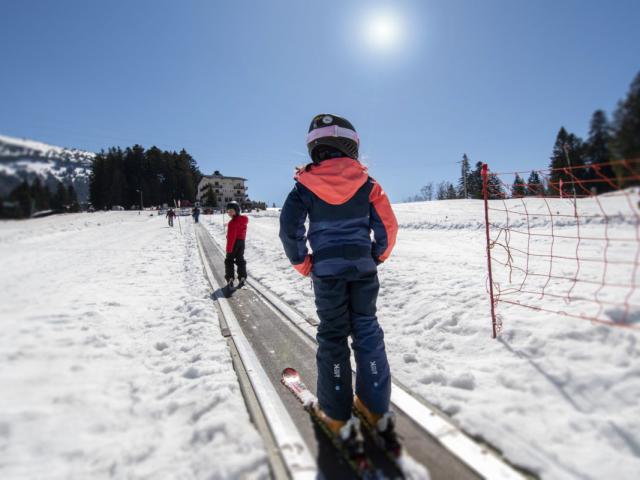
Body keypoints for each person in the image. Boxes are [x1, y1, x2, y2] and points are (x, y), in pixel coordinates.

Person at [279, 114, 399, 453]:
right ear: (352, 145)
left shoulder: (305, 186)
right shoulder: (367, 183)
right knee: (367, 330)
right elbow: (388, 225)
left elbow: (289, 229)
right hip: (363, 270)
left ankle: (336, 415)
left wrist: (303, 262)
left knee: (333, 334)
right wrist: (377, 255)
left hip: (327, 273)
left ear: (315, 148)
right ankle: (375, 409)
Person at [225, 201, 248, 287]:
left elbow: (231, 237)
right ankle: (242, 277)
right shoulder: (243, 220)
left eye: (231, 210)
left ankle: (230, 278)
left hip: (233, 243)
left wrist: (229, 249)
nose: (229, 213)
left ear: (237, 210)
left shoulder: (232, 223)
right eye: (228, 211)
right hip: (241, 242)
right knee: (240, 259)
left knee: (229, 260)